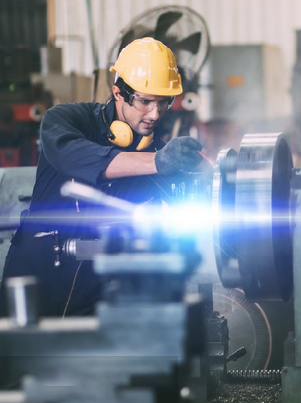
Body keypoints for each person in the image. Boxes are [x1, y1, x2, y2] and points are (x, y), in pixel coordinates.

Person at [0, 37, 203, 318]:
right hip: (36, 278)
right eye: (145, 101)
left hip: (99, 293)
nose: (155, 114)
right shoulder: (66, 120)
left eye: (164, 103)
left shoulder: (159, 158)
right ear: (118, 92)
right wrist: (158, 161)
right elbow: (76, 158)